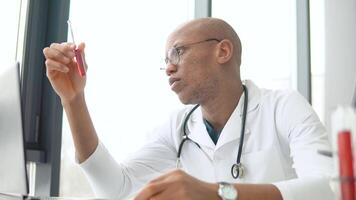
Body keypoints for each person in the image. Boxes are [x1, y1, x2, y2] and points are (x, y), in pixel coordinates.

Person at [43, 17, 334, 200]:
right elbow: (116, 190)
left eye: (178, 52)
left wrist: (218, 193)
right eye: (165, 60)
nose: (169, 67)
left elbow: (328, 189)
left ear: (223, 51)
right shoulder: (178, 127)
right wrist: (73, 100)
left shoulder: (282, 107)